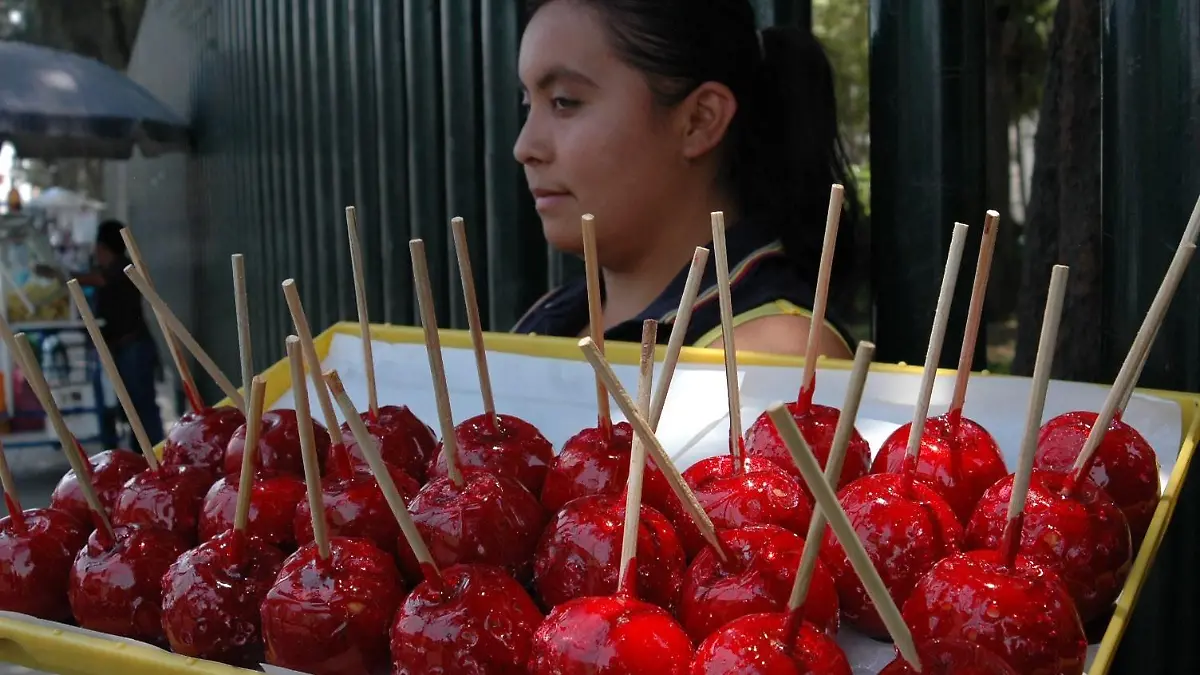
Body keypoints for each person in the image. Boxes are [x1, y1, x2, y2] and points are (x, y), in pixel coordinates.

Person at [511, 0, 861, 359]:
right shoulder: (552, 315)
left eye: (564, 102)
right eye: (528, 104)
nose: (524, 148)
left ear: (700, 120)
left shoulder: (770, 354)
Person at [44, 220, 165, 447]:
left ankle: (155, 454)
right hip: (122, 349)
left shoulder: (122, 268)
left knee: (142, 405)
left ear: (102, 247)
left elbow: (97, 280)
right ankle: (143, 454)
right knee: (129, 407)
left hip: (134, 349)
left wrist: (64, 275)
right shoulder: (108, 269)